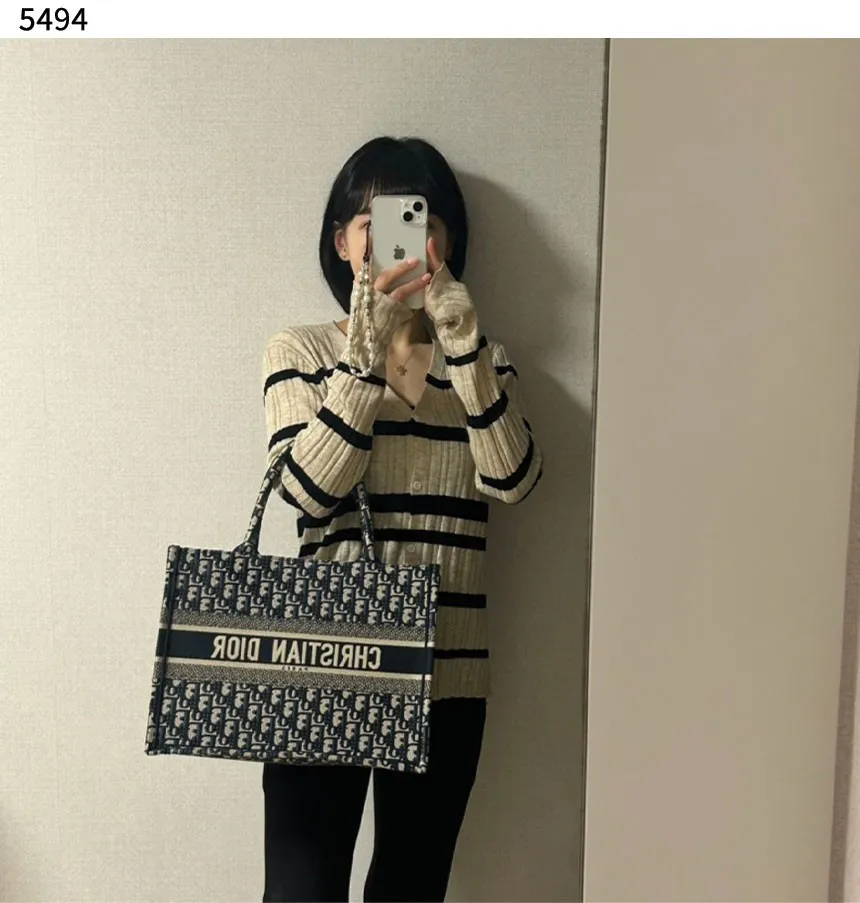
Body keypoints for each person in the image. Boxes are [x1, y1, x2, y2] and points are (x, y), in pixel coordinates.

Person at [260, 136, 543, 902]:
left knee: (411, 889)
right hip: (322, 662)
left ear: (447, 241)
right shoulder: (302, 350)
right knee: (300, 890)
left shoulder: (483, 359)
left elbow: (513, 480)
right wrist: (364, 354)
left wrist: (463, 345)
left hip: (447, 670)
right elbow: (307, 490)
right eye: (376, 221)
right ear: (343, 242)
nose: (402, 240)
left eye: (423, 221)